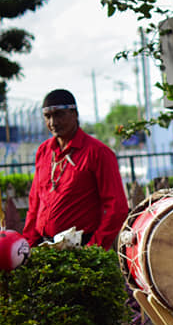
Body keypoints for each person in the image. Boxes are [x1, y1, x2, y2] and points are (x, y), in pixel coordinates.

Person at [23, 89, 129, 249]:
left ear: (75, 114)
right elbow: (34, 203)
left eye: (59, 115)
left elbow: (117, 208)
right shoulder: (43, 151)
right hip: (43, 247)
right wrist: (29, 245)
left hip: (82, 247)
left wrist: (93, 248)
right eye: (47, 116)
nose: (53, 122)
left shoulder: (98, 152)